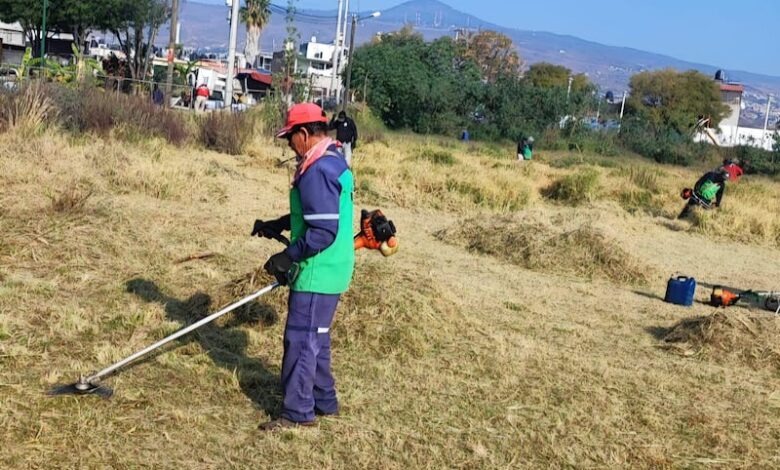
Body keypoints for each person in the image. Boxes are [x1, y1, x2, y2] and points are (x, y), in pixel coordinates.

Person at [251, 102, 355, 431]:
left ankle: (297, 413)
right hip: (335, 267)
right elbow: (317, 213)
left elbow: (323, 231)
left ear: (305, 133)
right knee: (318, 336)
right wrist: (279, 224)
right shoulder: (332, 160)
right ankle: (324, 400)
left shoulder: (317, 170)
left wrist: (289, 256)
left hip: (316, 271)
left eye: (290, 138)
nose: (288, 145)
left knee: (300, 338)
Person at [678, 160, 742, 219]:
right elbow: (701, 181)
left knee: (696, 210)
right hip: (701, 197)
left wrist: (717, 203)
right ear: (721, 174)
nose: (723, 179)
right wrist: (696, 189)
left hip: (703, 199)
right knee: (691, 206)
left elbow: (719, 194)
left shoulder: (719, 182)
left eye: (725, 179)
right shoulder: (714, 178)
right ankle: (682, 218)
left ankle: (688, 219)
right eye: (723, 177)